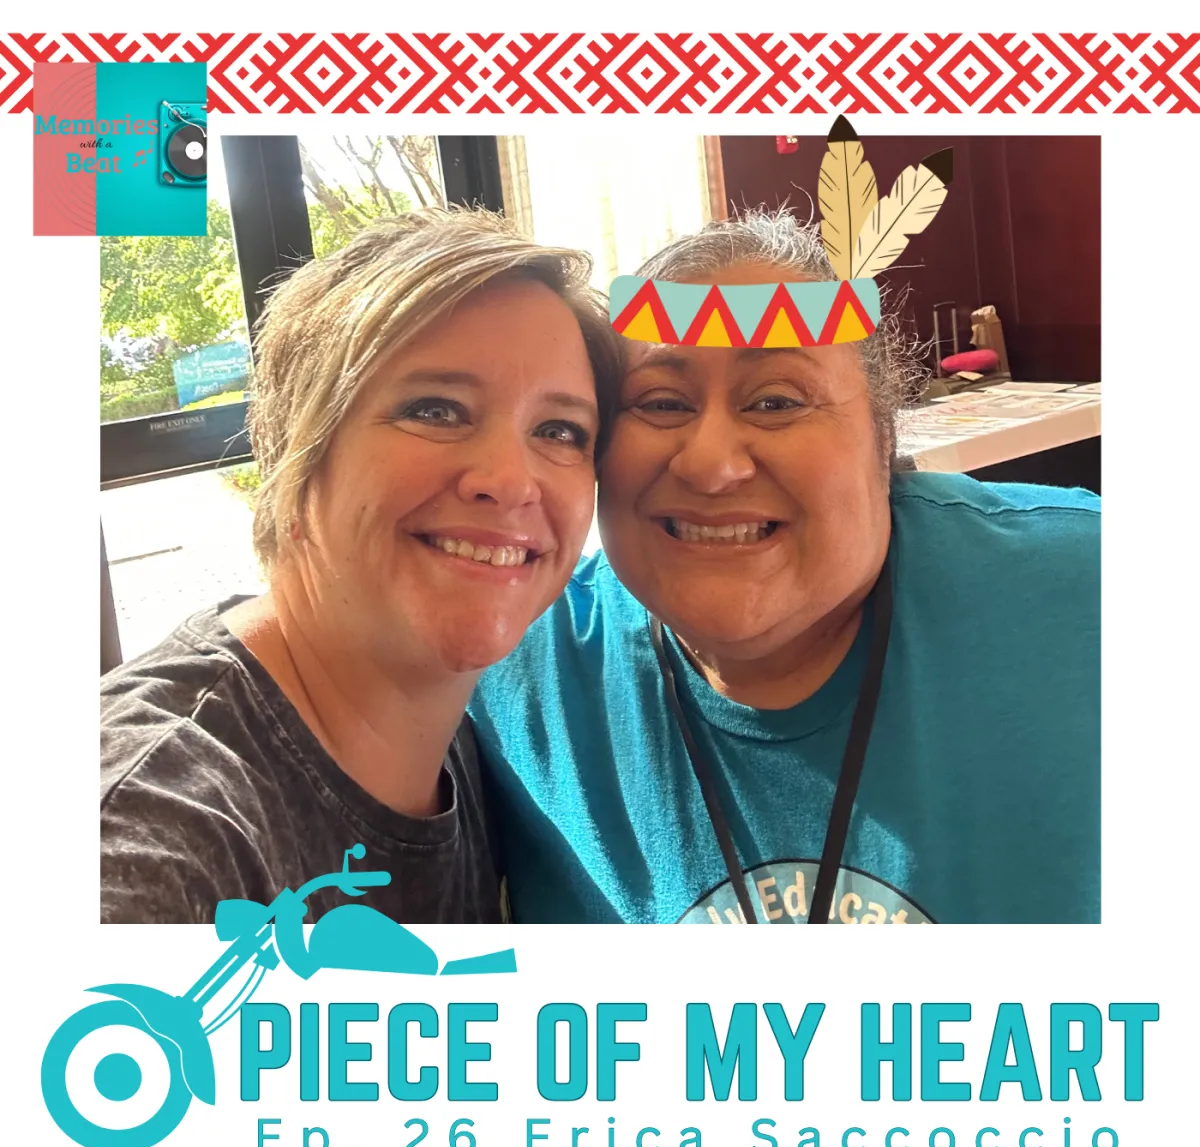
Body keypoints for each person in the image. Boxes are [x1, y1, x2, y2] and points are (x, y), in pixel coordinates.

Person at [468, 208, 1100, 924]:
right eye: (662, 403)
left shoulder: (1093, 593)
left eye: (776, 400)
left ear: (881, 439)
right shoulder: (508, 661)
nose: (710, 463)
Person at [102, 207, 618, 924]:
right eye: (436, 410)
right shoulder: (154, 827)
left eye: (559, 430)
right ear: (297, 451)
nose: (510, 477)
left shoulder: (465, 738)